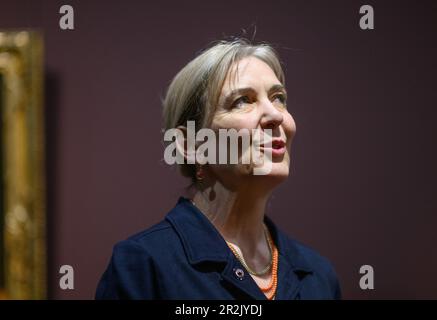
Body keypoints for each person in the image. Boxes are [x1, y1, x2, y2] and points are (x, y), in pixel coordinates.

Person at [95, 38, 341, 300]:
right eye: (242, 101)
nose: (276, 115)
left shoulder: (318, 275)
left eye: (278, 98)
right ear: (191, 144)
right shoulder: (145, 265)